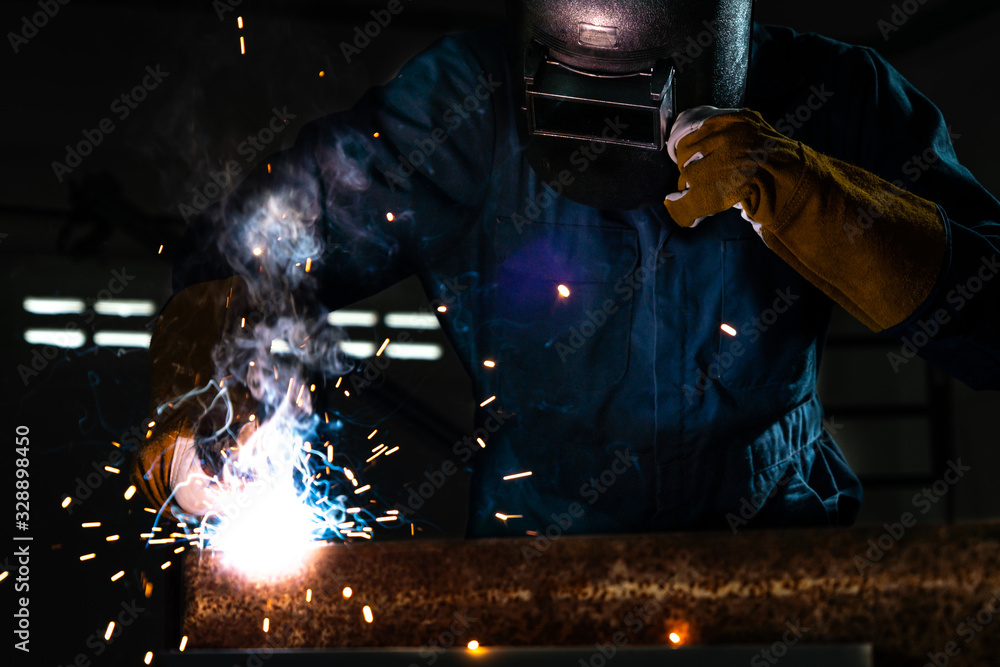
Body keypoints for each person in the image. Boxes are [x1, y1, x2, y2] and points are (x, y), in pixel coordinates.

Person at [132, 0, 1000, 538]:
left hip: (773, 543)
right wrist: (199, 406)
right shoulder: (463, 106)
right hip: (538, 562)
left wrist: (817, 195)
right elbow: (237, 252)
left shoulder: (836, 96)